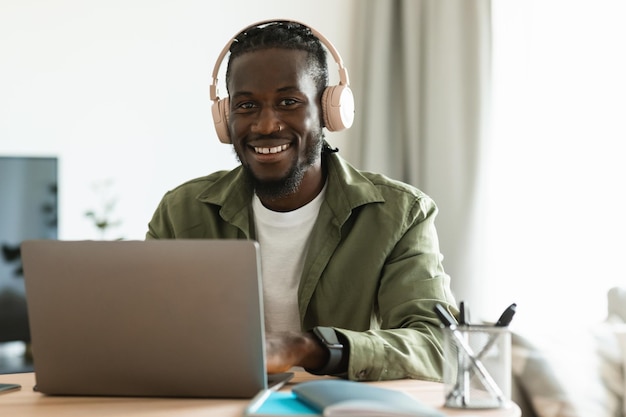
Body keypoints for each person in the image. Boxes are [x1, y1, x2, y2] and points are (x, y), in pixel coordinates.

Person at [146, 20, 457, 382]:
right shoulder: (181, 212)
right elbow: (143, 330)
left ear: (328, 112)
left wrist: (308, 348)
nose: (265, 125)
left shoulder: (401, 214)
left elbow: (437, 345)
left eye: (288, 102)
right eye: (246, 105)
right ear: (225, 117)